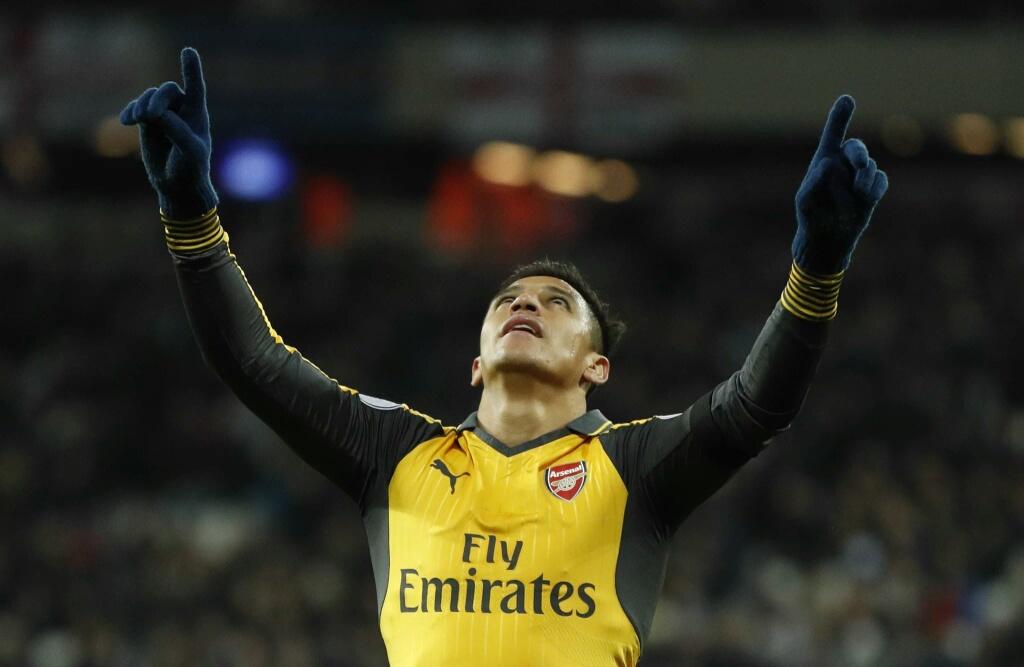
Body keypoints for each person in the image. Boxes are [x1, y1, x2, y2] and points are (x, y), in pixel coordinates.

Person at [120, 47, 888, 666]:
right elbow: (253, 361)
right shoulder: (396, 454)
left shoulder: (635, 470)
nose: (526, 304)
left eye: (557, 302)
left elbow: (757, 405)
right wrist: (190, 215)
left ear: (595, 367)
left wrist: (817, 269)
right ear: (477, 362)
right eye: (508, 299)